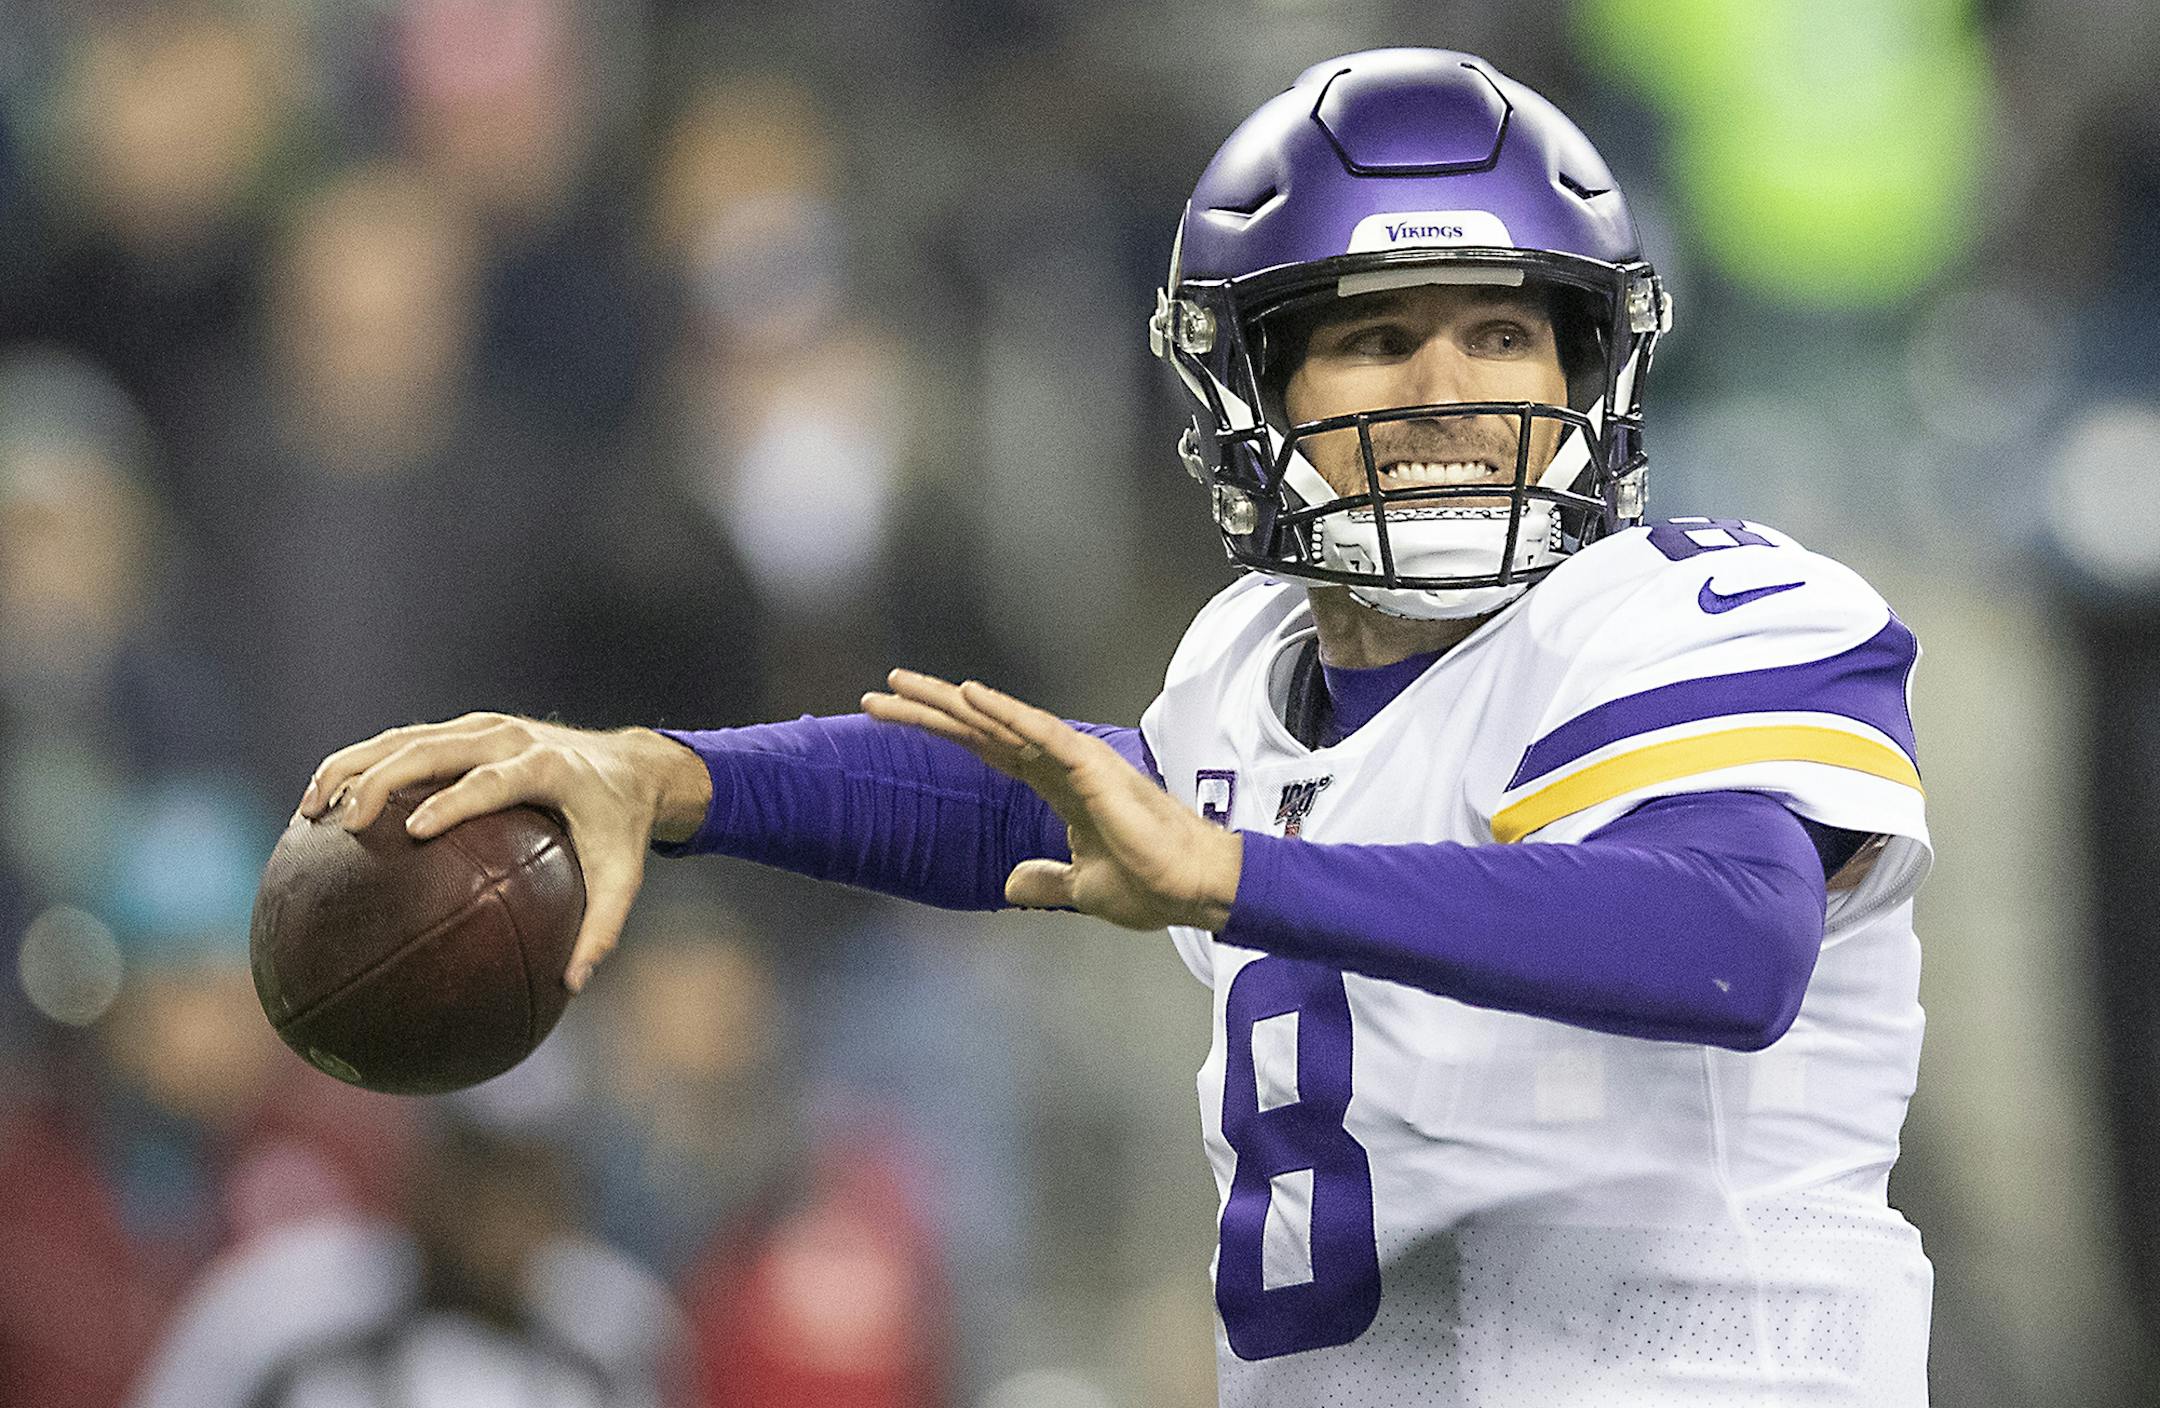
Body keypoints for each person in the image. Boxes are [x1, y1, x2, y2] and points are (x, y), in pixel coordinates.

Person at [296, 48, 1933, 1405]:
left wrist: (1237, 875)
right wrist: (663, 776)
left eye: (1505, 331)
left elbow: (1726, 942)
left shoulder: (1692, 614)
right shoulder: (1246, 673)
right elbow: (1027, 801)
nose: (1451, 385)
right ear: (1248, 392)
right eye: (1378, 336)